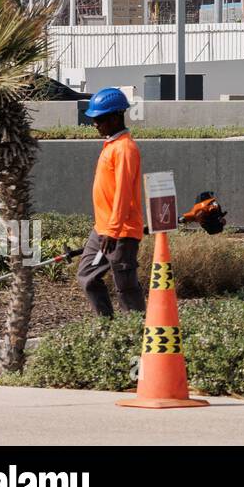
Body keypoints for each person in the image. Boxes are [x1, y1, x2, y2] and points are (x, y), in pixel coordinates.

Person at [76, 88, 146, 317]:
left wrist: (114, 231)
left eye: (99, 119)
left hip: (120, 233)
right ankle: (107, 328)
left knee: (125, 286)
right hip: (103, 229)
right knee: (88, 275)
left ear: (115, 117)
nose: (95, 124)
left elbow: (124, 193)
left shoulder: (125, 148)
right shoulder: (113, 145)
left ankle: (137, 335)